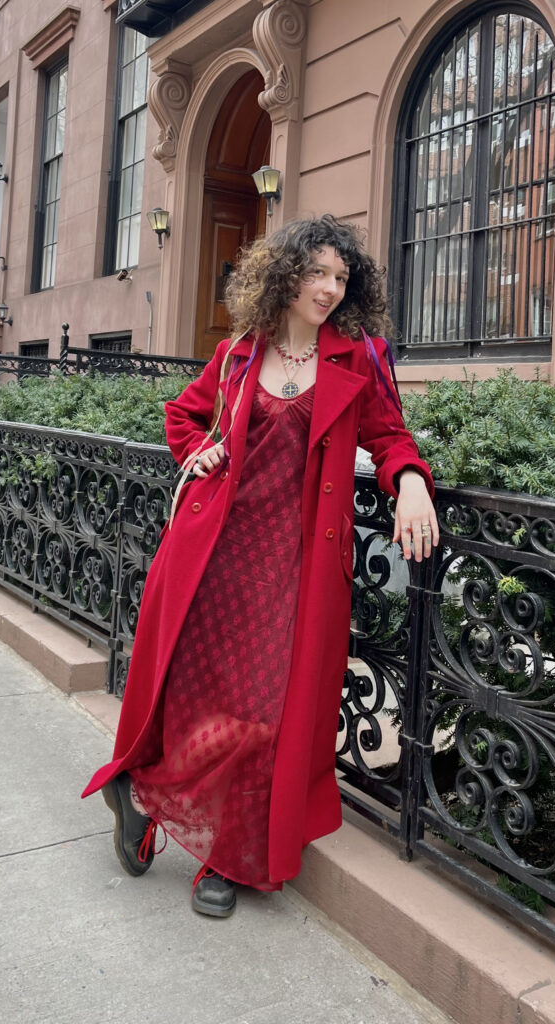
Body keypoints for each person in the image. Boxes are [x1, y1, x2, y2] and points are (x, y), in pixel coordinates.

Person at [82, 215, 438, 917]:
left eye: (342, 278)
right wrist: (197, 454)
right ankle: (156, 796)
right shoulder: (241, 352)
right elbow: (182, 417)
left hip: (297, 566)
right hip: (215, 552)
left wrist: (414, 482)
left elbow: (390, 436)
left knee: (265, 713)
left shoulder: (357, 358)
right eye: (318, 273)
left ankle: (217, 845)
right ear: (286, 274)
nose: (331, 288)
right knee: (198, 694)